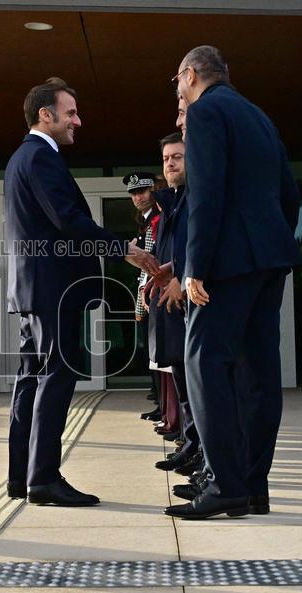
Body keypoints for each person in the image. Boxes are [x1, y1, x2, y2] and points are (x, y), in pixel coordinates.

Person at [4, 77, 160, 506]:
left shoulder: (23, 157)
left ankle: (22, 475)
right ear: (45, 114)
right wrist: (120, 249)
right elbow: (68, 220)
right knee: (55, 377)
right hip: (54, 289)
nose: (78, 120)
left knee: (30, 380)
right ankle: (44, 479)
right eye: (70, 112)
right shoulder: (41, 157)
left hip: (34, 289)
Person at [164, 45, 302, 520]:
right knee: (260, 374)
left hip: (225, 264)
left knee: (201, 361)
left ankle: (225, 484)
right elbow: (289, 193)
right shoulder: (260, 117)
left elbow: (207, 194)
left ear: (190, 75)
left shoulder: (205, 111)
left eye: (177, 82)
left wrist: (195, 266)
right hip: (269, 260)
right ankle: (252, 487)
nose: (178, 90)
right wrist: (272, 245)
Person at [148, 128, 204, 480]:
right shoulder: (173, 199)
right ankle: (191, 444)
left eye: (177, 157)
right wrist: (166, 270)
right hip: (172, 298)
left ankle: (200, 451)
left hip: (191, 299)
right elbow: (177, 249)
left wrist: (181, 277)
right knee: (181, 377)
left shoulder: (196, 196)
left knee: (198, 384)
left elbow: (198, 246)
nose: (170, 164)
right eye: (166, 159)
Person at [124, 172, 163, 423]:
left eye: (143, 191)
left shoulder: (157, 220)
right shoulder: (147, 222)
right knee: (152, 354)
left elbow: (153, 263)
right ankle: (162, 404)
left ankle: (166, 408)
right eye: (134, 193)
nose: (138, 197)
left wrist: (130, 255)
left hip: (158, 293)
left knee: (160, 355)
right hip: (148, 294)